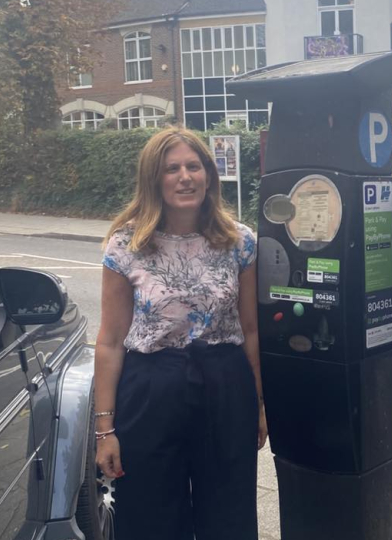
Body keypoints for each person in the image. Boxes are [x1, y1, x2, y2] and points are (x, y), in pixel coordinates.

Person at [94, 127, 267, 540]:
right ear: (154, 179)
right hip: (150, 388)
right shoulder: (126, 246)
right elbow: (110, 341)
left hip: (225, 386)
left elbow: (251, 330)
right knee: (150, 518)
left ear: (209, 175)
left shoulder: (240, 242)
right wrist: (105, 431)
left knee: (229, 515)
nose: (184, 176)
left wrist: (260, 404)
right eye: (172, 169)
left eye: (194, 166)